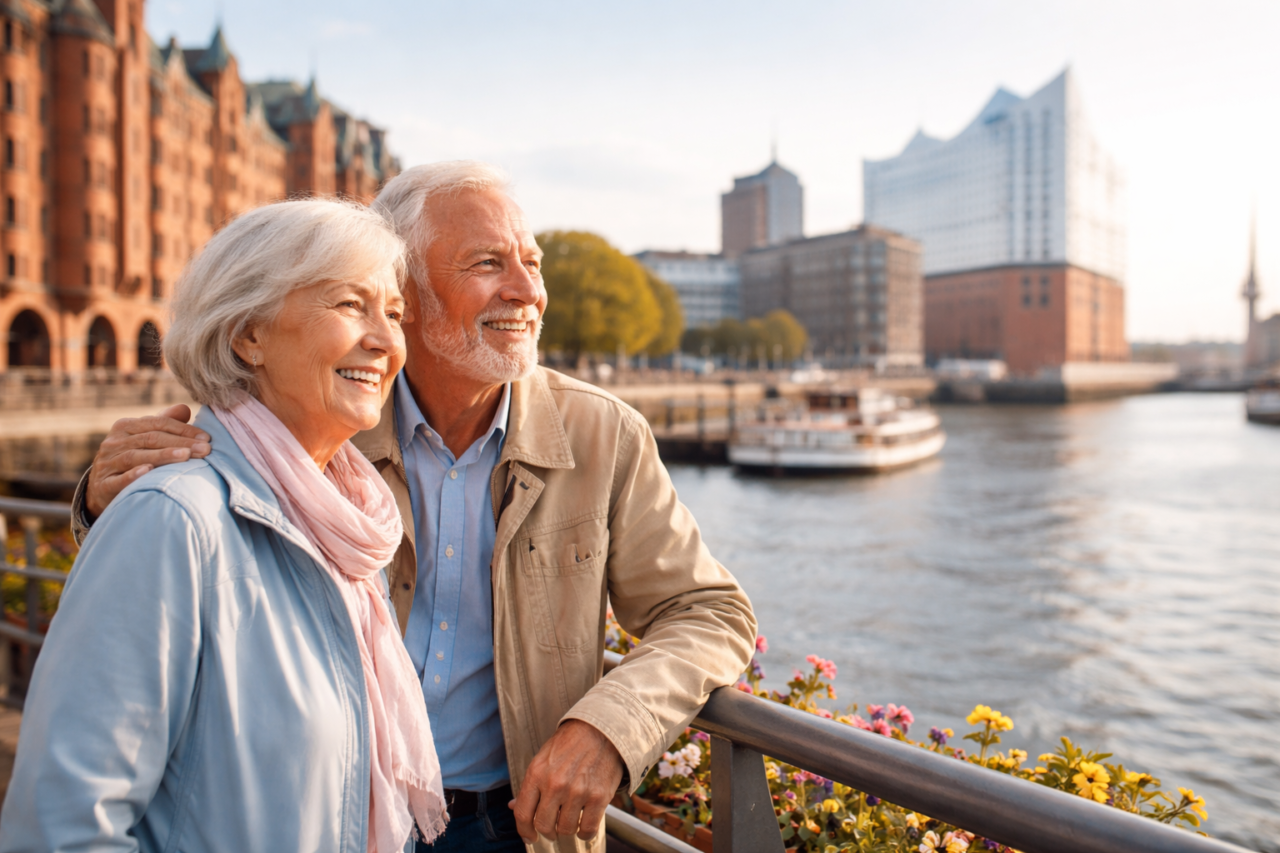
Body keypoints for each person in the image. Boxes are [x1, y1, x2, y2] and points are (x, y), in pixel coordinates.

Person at [74, 161, 758, 853]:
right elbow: (188, 539)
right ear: (400, 285)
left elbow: (710, 610)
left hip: (517, 824)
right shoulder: (316, 418)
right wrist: (105, 503)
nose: (527, 292)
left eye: (532, 262)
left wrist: (609, 726)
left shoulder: (603, 434)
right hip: (341, 818)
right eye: (488, 264)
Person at [1, 200, 449, 852]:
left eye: (394, 313)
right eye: (352, 305)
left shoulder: (349, 526)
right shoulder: (173, 521)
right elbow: (62, 825)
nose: (385, 338)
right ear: (248, 334)